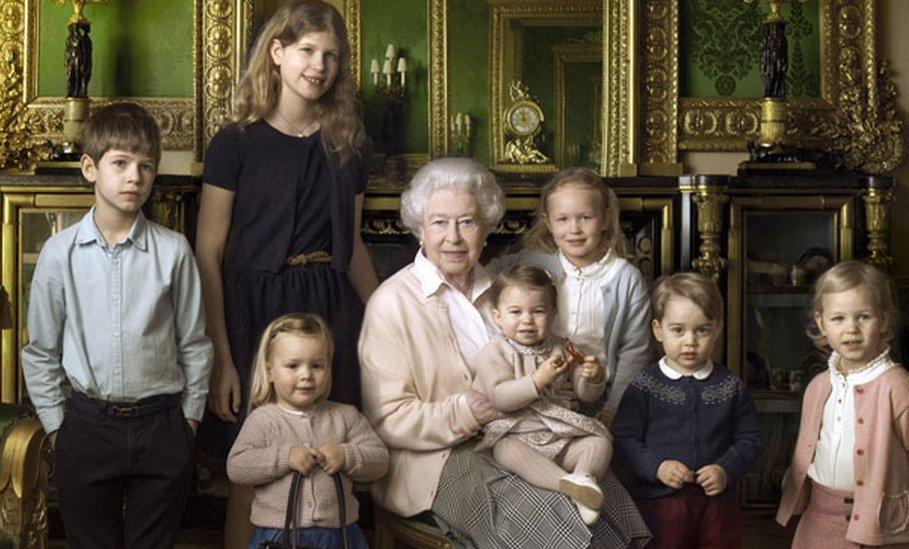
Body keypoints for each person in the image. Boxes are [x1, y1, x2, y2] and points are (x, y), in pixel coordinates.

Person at [359, 156, 649, 548]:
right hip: (438, 457)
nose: (453, 237)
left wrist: (570, 382)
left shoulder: (504, 291)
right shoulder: (391, 303)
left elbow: (547, 363)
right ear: (419, 230)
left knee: (600, 495)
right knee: (553, 515)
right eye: (439, 222)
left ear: (486, 227)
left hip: (525, 431)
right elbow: (388, 419)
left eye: (467, 221)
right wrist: (467, 411)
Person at [195, 1, 379, 545]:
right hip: (253, 309)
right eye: (306, 51)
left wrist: (394, 318)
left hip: (326, 306)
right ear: (276, 53)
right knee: (253, 471)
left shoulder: (348, 145)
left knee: (331, 459)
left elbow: (354, 248)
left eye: (330, 56)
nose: (318, 66)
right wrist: (222, 359)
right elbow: (209, 252)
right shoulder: (236, 142)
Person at [21, 102, 213, 548]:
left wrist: (188, 422)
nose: (135, 177)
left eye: (146, 166)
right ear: (90, 168)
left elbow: (195, 344)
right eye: (121, 163)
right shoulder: (59, 254)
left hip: (162, 425)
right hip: (87, 426)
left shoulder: (174, 251)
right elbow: (41, 351)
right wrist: (57, 427)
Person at [777, 261, 909, 548]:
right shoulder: (819, 386)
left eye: (863, 317)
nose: (851, 330)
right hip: (819, 515)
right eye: (838, 319)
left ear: (884, 320)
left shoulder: (900, 388)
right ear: (821, 322)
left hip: (879, 523)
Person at [489, 167, 651, 425]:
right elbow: (487, 276)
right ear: (548, 223)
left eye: (585, 217)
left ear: (606, 218)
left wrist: (612, 409)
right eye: (562, 219)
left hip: (597, 396)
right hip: (538, 390)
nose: (574, 229)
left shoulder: (626, 279)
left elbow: (634, 354)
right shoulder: (534, 262)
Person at [612, 272, 760, 548]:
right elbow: (624, 439)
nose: (690, 341)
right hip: (660, 504)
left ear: (717, 329)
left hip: (717, 505)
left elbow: (749, 439)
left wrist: (725, 469)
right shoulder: (645, 386)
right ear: (658, 330)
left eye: (702, 330)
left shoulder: (730, 385)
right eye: (678, 330)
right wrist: (657, 467)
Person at [227, 313, 388, 549]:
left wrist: (347, 456)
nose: (306, 375)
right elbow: (237, 467)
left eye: (317, 365)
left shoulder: (346, 416)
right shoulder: (263, 420)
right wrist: (285, 457)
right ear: (270, 371)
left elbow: (380, 460)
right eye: (293, 365)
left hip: (339, 537)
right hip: (278, 538)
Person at [475, 265, 613, 525]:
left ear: (553, 313)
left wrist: (591, 377)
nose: (527, 320)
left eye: (538, 311)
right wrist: (537, 381)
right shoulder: (495, 352)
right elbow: (499, 397)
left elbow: (585, 397)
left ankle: (584, 478)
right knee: (505, 450)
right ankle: (568, 486)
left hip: (560, 435)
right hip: (517, 432)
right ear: (497, 316)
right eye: (515, 312)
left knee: (599, 443)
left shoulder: (564, 347)